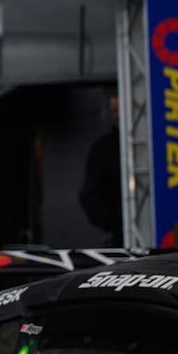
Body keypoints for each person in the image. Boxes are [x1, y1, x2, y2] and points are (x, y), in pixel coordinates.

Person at [78, 89, 123, 246]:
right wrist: (117, 224)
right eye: (114, 111)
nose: (117, 115)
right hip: (123, 235)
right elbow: (89, 196)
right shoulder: (102, 149)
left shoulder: (162, 141)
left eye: (120, 110)